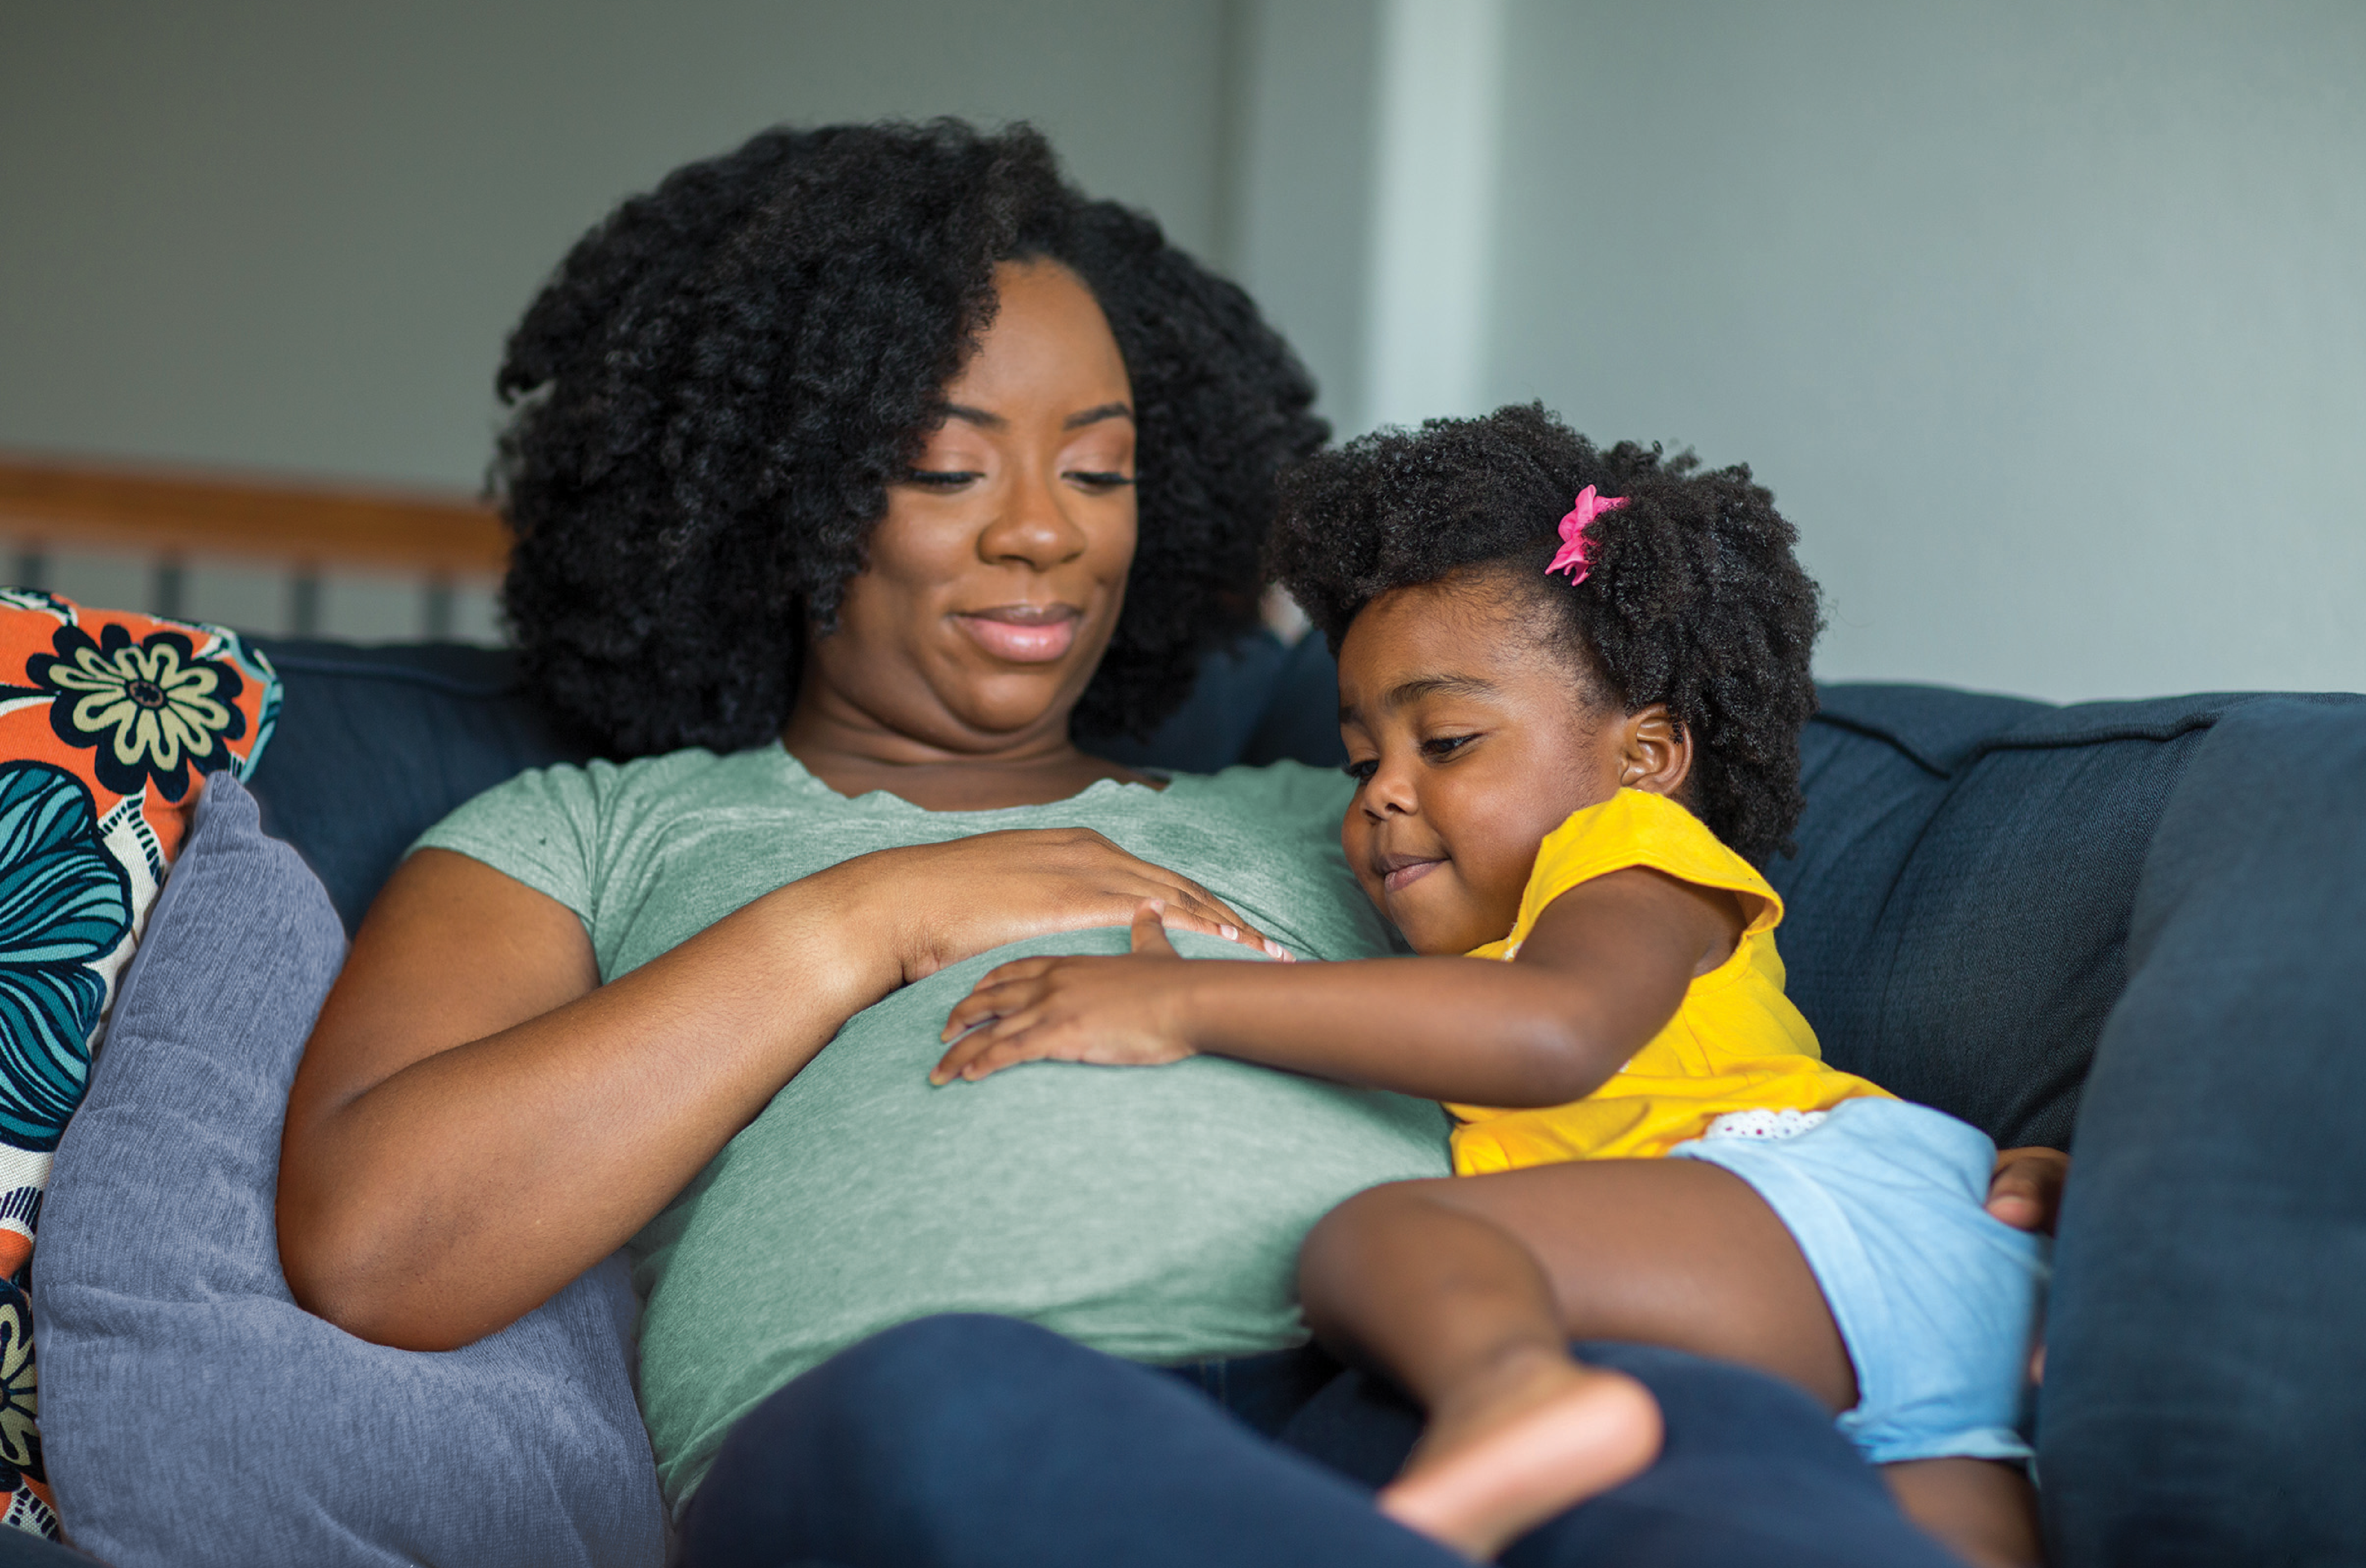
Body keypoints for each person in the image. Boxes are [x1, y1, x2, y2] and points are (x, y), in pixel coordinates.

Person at [274, 122, 2061, 1565]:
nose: (1047, 536)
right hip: (973, 1434)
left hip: (1434, 1390)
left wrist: (1984, 1183)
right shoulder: (592, 832)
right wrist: (865, 919)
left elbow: (1671, 1047)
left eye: (1104, 468)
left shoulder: (1363, 808)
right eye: (949, 466)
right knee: (937, 1413)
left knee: (1719, 1435)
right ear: (778, 482)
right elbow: (382, 1243)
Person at [931, 406, 2051, 1566]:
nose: (1379, 795)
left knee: (1384, 1235)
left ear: (1646, 758)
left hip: (1816, 1204)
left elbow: (1552, 1034)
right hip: (1901, 1343)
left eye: (1449, 741)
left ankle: (1508, 1389)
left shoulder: (1626, 857)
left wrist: (1180, 1003)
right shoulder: (1497, 933)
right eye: (1363, 759)